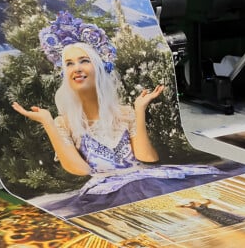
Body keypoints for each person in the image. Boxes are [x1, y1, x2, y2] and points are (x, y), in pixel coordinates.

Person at [12, 12, 224, 215]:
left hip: (146, 177)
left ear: (98, 66)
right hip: (108, 191)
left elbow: (147, 158)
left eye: (84, 60)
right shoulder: (64, 122)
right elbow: (81, 170)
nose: (76, 68)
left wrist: (139, 111)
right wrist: (48, 123)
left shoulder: (124, 113)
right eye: (69, 63)